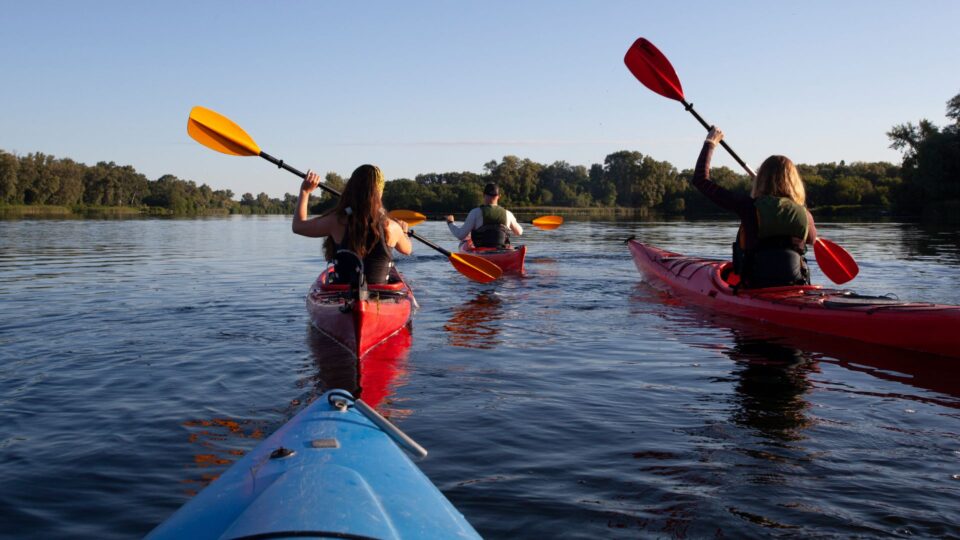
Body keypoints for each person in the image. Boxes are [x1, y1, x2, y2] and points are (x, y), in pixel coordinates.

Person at [694, 127, 818, 289]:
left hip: (756, 287)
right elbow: (812, 240)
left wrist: (710, 143)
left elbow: (701, 180)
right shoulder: (805, 214)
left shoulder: (748, 206)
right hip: (795, 285)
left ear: (761, 180)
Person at [292, 164, 412, 285]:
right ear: (380, 192)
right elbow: (407, 250)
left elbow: (298, 226)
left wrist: (305, 191)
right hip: (380, 297)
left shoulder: (336, 221)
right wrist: (404, 232)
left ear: (351, 188)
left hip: (342, 295)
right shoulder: (392, 227)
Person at [445, 182, 523, 248]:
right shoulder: (508, 214)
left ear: (484, 195)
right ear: (499, 196)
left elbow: (460, 235)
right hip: (502, 252)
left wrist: (450, 223)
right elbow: (519, 232)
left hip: (481, 253)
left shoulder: (475, 212)